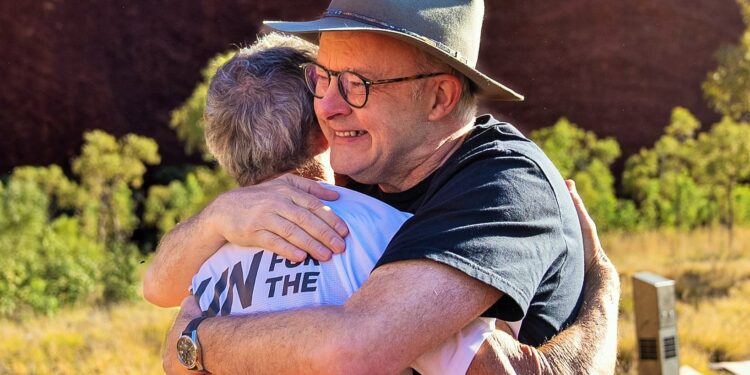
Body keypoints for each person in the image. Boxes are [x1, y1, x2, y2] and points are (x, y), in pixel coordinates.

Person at [144, 1, 620, 373]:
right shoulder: (366, 173)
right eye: (322, 77)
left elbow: (357, 349)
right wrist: (218, 216)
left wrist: (197, 341)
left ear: (438, 97)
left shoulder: (503, 185)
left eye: (356, 84)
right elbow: (158, 286)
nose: (326, 107)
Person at [191, 32, 515, 374]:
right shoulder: (391, 238)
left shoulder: (204, 269)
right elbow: (497, 367)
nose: (334, 105)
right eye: (323, 84)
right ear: (321, 128)